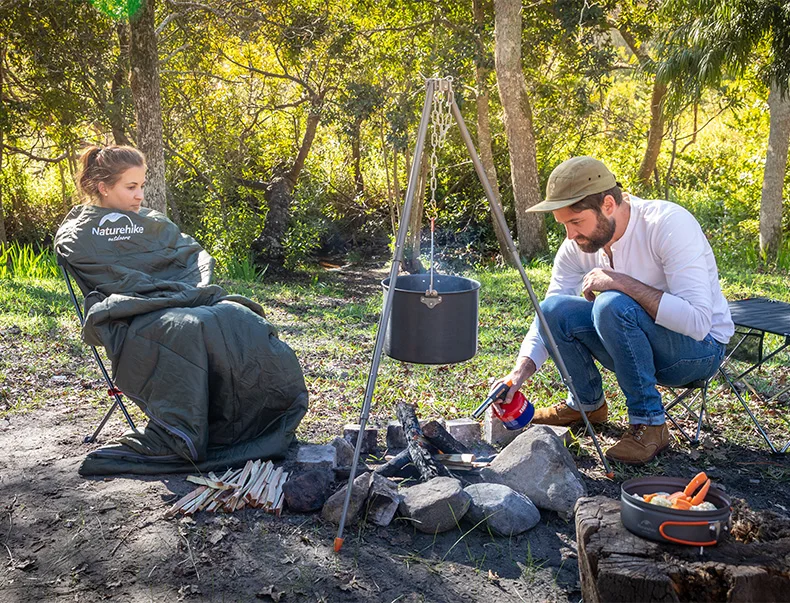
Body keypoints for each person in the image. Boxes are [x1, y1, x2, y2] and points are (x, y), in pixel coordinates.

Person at [56, 145, 308, 475]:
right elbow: (114, 278)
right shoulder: (80, 233)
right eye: (130, 187)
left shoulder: (152, 222)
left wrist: (183, 290)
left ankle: (252, 424)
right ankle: (186, 432)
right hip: (133, 314)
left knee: (240, 318)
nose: (139, 196)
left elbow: (189, 257)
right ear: (103, 187)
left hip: (182, 298)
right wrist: (161, 293)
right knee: (188, 327)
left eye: (142, 185)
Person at [492, 156, 734, 465]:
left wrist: (622, 282)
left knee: (611, 303)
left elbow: (699, 323)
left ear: (608, 204)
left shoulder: (668, 224)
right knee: (553, 308)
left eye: (576, 222)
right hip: (632, 344)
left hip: (697, 351)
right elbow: (548, 318)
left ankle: (650, 424)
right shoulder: (578, 246)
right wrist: (520, 371)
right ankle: (586, 405)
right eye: (564, 224)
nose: (569, 235)